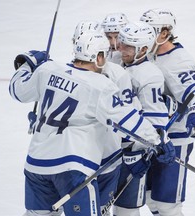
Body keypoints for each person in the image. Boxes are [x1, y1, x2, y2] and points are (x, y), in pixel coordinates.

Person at [9, 31, 175, 216]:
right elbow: (127, 120)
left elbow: (18, 91)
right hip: (72, 168)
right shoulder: (99, 86)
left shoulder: (47, 70)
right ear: (98, 57)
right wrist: (158, 140)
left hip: (36, 165)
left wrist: (27, 64)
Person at [140, 9, 195, 216]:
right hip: (152, 137)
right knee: (149, 198)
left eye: (150, 31)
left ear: (164, 33)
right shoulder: (148, 52)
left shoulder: (179, 61)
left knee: (167, 205)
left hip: (175, 139)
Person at [72, 20, 141, 215]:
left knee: (105, 209)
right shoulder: (72, 70)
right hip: (78, 156)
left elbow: (129, 114)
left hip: (108, 156)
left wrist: (137, 145)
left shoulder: (117, 74)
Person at [112, 21, 171, 216]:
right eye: (122, 43)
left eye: (129, 46)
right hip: (104, 148)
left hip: (130, 152)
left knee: (126, 210)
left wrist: (142, 151)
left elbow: (155, 121)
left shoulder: (150, 74)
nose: (122, 49)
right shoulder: (113, 61)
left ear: (144, 49)